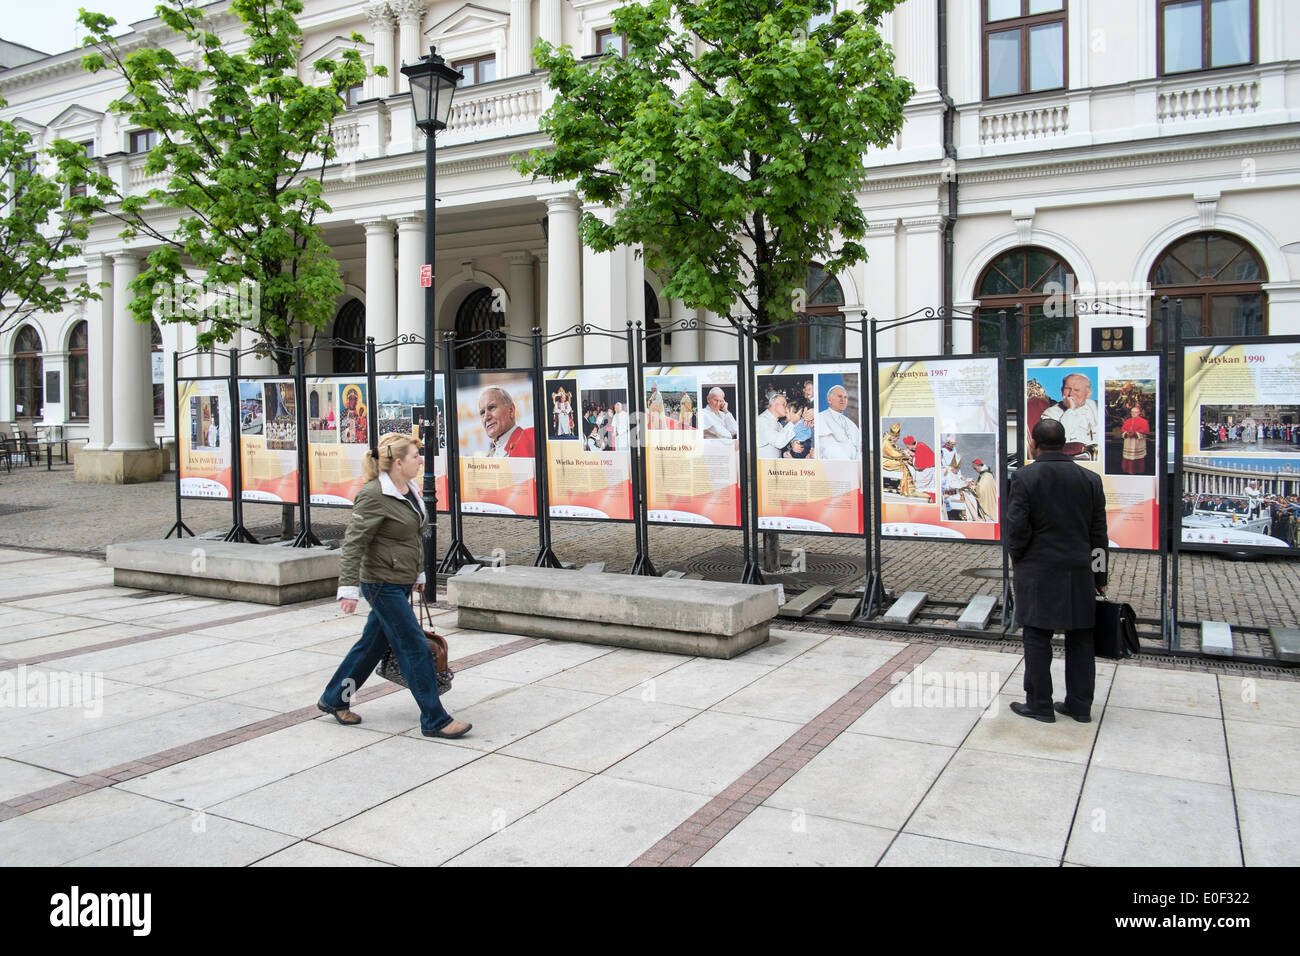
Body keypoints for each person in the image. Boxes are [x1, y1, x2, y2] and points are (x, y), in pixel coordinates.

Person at [318, 432, 471, 739]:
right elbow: (353, 544)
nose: (421, 461)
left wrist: (417, 575)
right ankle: (434, 718)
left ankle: (335, 697)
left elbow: (410, 538)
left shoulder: (409, 490)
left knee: (370, 647)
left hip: (400, 580)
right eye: (416, 456)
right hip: (380, 583)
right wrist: (348, 589)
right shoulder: (373, 494)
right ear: (398, 462)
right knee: (413, 646)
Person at [1005, 418, 1108, 723]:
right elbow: (1098, 534)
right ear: (1065, 444)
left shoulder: (1025, 478)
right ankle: (1079, 705)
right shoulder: (1090, 480)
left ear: (1033, 444)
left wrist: (1019, 559)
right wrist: (1099, 576)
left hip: (1038, 571)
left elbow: (1017, 528)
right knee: (1081, 639)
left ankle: (1040, 704)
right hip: (1080, 572)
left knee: (1037, 637)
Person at [1038, 373, 1099, 457]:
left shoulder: (1095, 405)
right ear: (1061, 390)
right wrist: (1071, 410)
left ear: (1088, 394)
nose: (1071, 394)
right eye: (1067, 388)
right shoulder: (1050, 413)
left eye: (1077, 390)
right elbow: (1055, 443)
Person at [478, 386, 534, 458]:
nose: (486, 417)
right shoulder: (488, 457)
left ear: (511, 410)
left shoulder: (530, 438)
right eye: (482, 413)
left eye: (492, 408)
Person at [818, 385, 860, 460]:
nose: (843, 400)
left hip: (855, 466)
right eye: (839, 396)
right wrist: (848, 464)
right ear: (829, 400)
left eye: (845, 397)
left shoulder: (850, 423)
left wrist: (857, 462)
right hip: (834, 466)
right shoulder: (821, 418)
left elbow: (860, 447)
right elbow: (827, 447)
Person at [757, 390, 797, 458]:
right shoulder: (762, 420)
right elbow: (779, 443)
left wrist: (785, 454)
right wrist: (793, 421)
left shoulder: (778, 424)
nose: (786, 407)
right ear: (774, 405)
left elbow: (778, 449)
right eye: (784, 404)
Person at [1120, 404, 1150, 475]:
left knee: (1138, 457)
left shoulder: (1144, 422)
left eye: (1135, 412)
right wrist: (1127, 433)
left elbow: (1145, 432)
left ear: (1139, 413)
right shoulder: (1127, 421)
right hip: (1129, 443)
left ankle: (1138, 470)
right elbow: (1123, 430)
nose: (1133, 413)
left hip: (1137, 443)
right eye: (1132, 412)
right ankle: (1127, 469)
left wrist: (1135, 433)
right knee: (1128, 457)